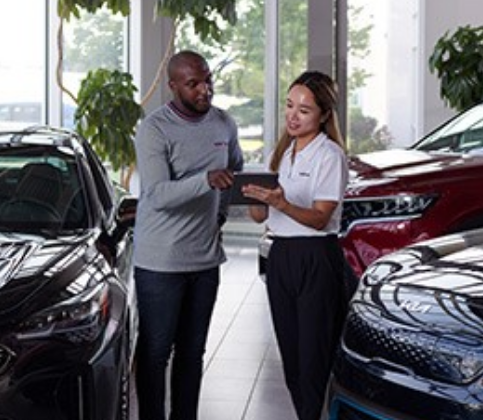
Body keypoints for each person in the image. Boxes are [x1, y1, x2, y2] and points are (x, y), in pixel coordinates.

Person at [132, 50, 244, 420]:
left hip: (205, 259)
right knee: (155, 352)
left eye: (208, 80)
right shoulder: (154, 129)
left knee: (192, 352)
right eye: (194, 84)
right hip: (160, 261)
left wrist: (222, 212)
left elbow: (235, 171)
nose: (205, 90)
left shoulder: (224, 124)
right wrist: (205, 180)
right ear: (174, 86)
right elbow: (157, 195)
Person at [242, 70, 348, 420]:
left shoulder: (329, 155)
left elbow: (320, 218)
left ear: (323, 115)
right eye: (289, 106)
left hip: (316, 257)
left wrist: (283, 203)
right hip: (281, 256)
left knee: (312, 357)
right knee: (290, 355)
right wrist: (252, 197)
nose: (293, 115)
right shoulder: (283, 155)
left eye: (304, 110)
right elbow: (260, 217)